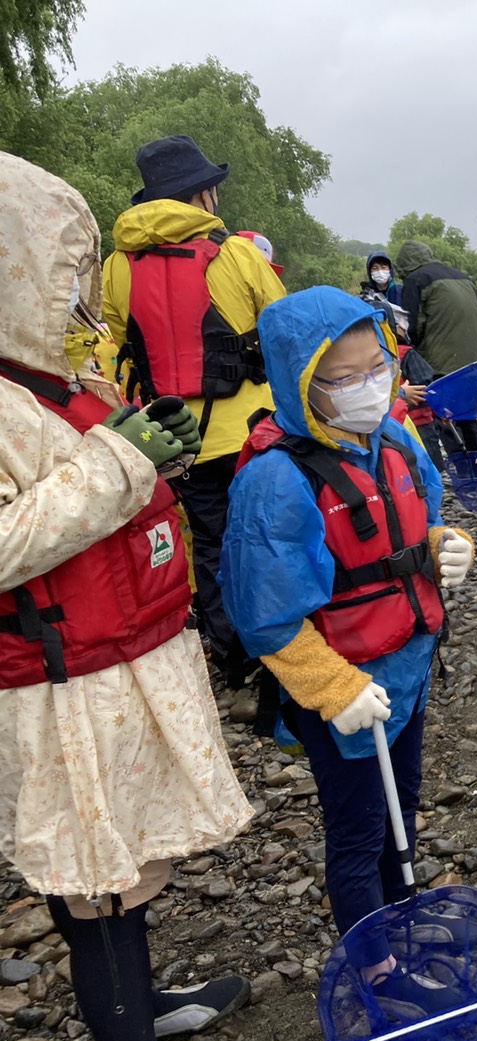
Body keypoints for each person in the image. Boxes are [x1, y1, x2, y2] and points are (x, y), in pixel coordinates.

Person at [0, 152, 271, 1041]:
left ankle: (141, 1004)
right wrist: (117, 460)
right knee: (94, 873)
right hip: (60, 681)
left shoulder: (42, 377)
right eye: (62, 271)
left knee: (124, 856)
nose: (80, 294)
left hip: (116, 663)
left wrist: (134, 437)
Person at [221, 286, 476, 1010]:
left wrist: (451, 547)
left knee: (405, 806)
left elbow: (420, 525)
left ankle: (401, 918)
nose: (370, 389)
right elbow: (266, 618)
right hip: (342, 691)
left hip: (407, 670)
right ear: (301, 382)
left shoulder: (392, 440)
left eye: (379, 369)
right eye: (344, 378)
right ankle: (375, 970)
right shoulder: (276, 482)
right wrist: (335, 690)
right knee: (360, 832)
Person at [102, 134, 286, 707]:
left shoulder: (116, 266)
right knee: (266, 538)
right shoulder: (236, 254)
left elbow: (113, 342)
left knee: (208, 545)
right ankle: (283, 659)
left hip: (173, 438)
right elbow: (282, 328)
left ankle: (232, 662)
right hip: (252, 432)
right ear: (203, 195)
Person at [395, 240, 477, 455]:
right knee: (468, 419)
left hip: (439, 367)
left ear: (404, 265)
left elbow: (411, 329)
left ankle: (459, 471)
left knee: (445, 421)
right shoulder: (463, 277)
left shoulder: (415, 280)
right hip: (472, 365)